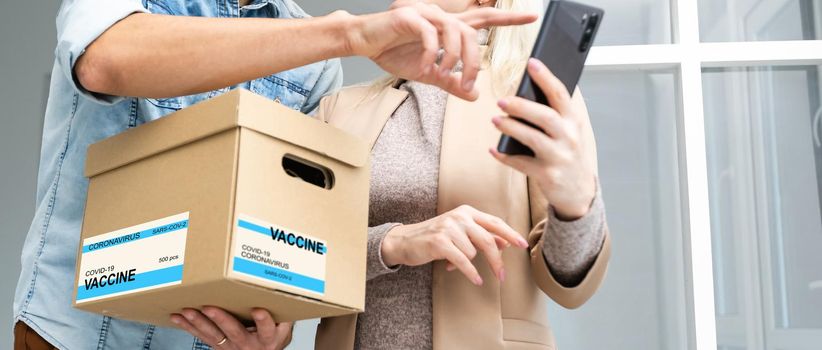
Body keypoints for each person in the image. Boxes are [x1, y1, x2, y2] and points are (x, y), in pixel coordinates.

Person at [12, 0, 536, 349]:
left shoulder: (313, 64)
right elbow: (107, 61)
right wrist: (347, 33)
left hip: (206, 339)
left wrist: (273, 322)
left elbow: (282, 226)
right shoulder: (130, 8)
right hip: (75, 335)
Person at [175, 0, 611, 349]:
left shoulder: (533, 98)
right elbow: (296, 255)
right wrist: (393, 243)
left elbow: (571, 287)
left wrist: (575, 203)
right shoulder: (339, 107)